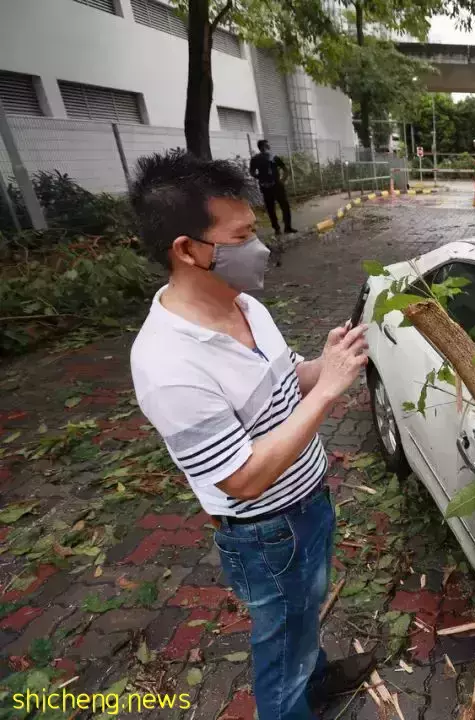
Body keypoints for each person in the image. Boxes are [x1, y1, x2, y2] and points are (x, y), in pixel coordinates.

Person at [128, 150, 373, 720]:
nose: (260, 248)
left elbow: (290, 378)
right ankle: (293, 702)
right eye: (240, 237)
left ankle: (315, 679)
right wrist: (329, 392)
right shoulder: (167, 363)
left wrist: (326, 362)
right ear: (188, 250)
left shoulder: (244, 305)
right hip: (264, 532)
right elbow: (241, 478)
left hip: (308, 502)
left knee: (301, 615)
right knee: (280, 644)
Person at [250, 139, 298, 235]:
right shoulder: (256, 159)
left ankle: (283, 228)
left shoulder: (273, 157)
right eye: (267, 146)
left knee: (279, 207)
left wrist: (281, 181)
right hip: (270, 186)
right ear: (263, 147)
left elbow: (285, 170)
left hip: (274, 186)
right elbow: (285, 170)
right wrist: (261, 177)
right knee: (273, 208)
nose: (269, 147)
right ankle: (280, 228)